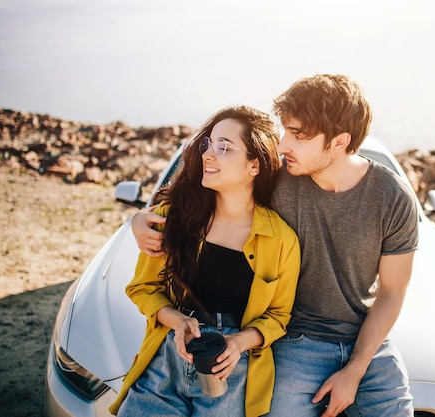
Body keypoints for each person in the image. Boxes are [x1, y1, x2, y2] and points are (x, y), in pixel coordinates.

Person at [132, 74, 419, 417]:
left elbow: (392, 292)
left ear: (339, 141)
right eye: (285, 132)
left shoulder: (393, 197)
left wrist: (355, 370)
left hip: (369, 343)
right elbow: (213, 186)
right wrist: (140, 219)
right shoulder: (278, 181)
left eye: (298, 135)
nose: (283, 147)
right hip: (295, 341)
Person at [109, 106, 301, 417]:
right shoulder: (171, 218)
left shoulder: (280, 239)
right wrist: (180, 322)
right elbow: (143, 288)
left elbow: (279, 317)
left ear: (255, 165)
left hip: (231, 375)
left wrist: (238, 342)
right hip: (165, 365)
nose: (208, 155)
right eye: (208, 144)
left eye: (224, 147)